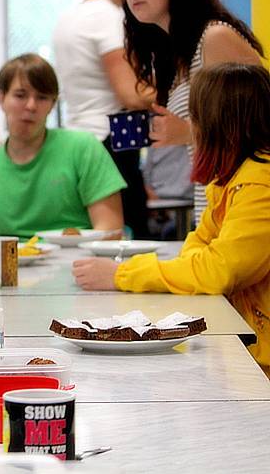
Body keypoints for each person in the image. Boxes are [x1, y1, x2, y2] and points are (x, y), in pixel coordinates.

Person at [73, 63, 270, 374]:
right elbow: (198, 251)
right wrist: (198, 269)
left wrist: (121, 275)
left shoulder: (259, 182)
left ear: (217, 122)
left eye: (195, 118)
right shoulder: (231, 179)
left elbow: (216, 271)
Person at [118, 0, 263, 224]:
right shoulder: (177, 55)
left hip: (245, 209)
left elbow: (259, 131)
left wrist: (186, 132)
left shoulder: (215, 37)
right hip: (213, 209)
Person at [52, 0, 154, 238]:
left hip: (80, 135)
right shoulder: (108, 17)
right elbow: (131, 94)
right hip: (112, 139)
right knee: (128, 233)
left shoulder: (70, 17)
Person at [0, 53, 126, 239]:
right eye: (20, 95)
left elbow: (111, 230)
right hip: (7, 265)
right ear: (1, 98)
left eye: (42, 97)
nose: (31, 106)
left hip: (76, 262)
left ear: (52, 104)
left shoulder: (84, 149)